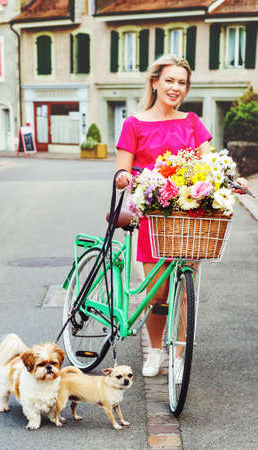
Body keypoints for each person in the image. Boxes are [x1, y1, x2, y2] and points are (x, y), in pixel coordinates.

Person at [115, 54, 247, 377]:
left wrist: (232, 178)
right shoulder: (134, 123)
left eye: (182, 83)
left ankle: (179, 356)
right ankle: (156, 351)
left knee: (185, 290)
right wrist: (122, 176)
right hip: (154, 214)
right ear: (155, 82)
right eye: (170, 80)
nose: (176, 88)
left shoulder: (191, 122)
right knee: (158, 291)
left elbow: (210, 163)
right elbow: (122, 164)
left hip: (189, 214)